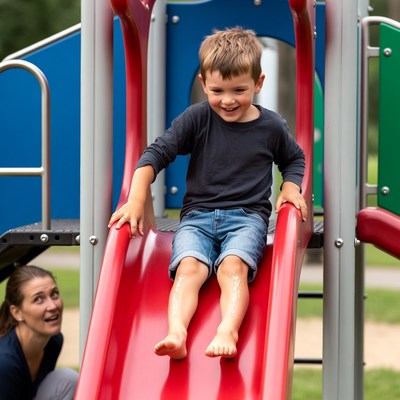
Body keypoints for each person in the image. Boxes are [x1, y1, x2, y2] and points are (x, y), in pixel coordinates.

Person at [108, 26, 307, 360]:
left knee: (232, 268)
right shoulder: (197, 118)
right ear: (203, 83)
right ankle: (177, 332)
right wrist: (136, 199)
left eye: (239, 90)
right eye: (217, 90)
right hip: (196, 219)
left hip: (246, 219)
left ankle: (227, 329)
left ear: (258, 83)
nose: (227, 100)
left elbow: (294, 158)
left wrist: (290, 186)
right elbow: (154, 155)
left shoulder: (271, 127)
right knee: (189, 269)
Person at [0, 265, 78, 399]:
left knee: (67, 380)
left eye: (54, 294)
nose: (53, 306)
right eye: (38, 299)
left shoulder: (53, 341)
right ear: (17, 313)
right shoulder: (5, 363)